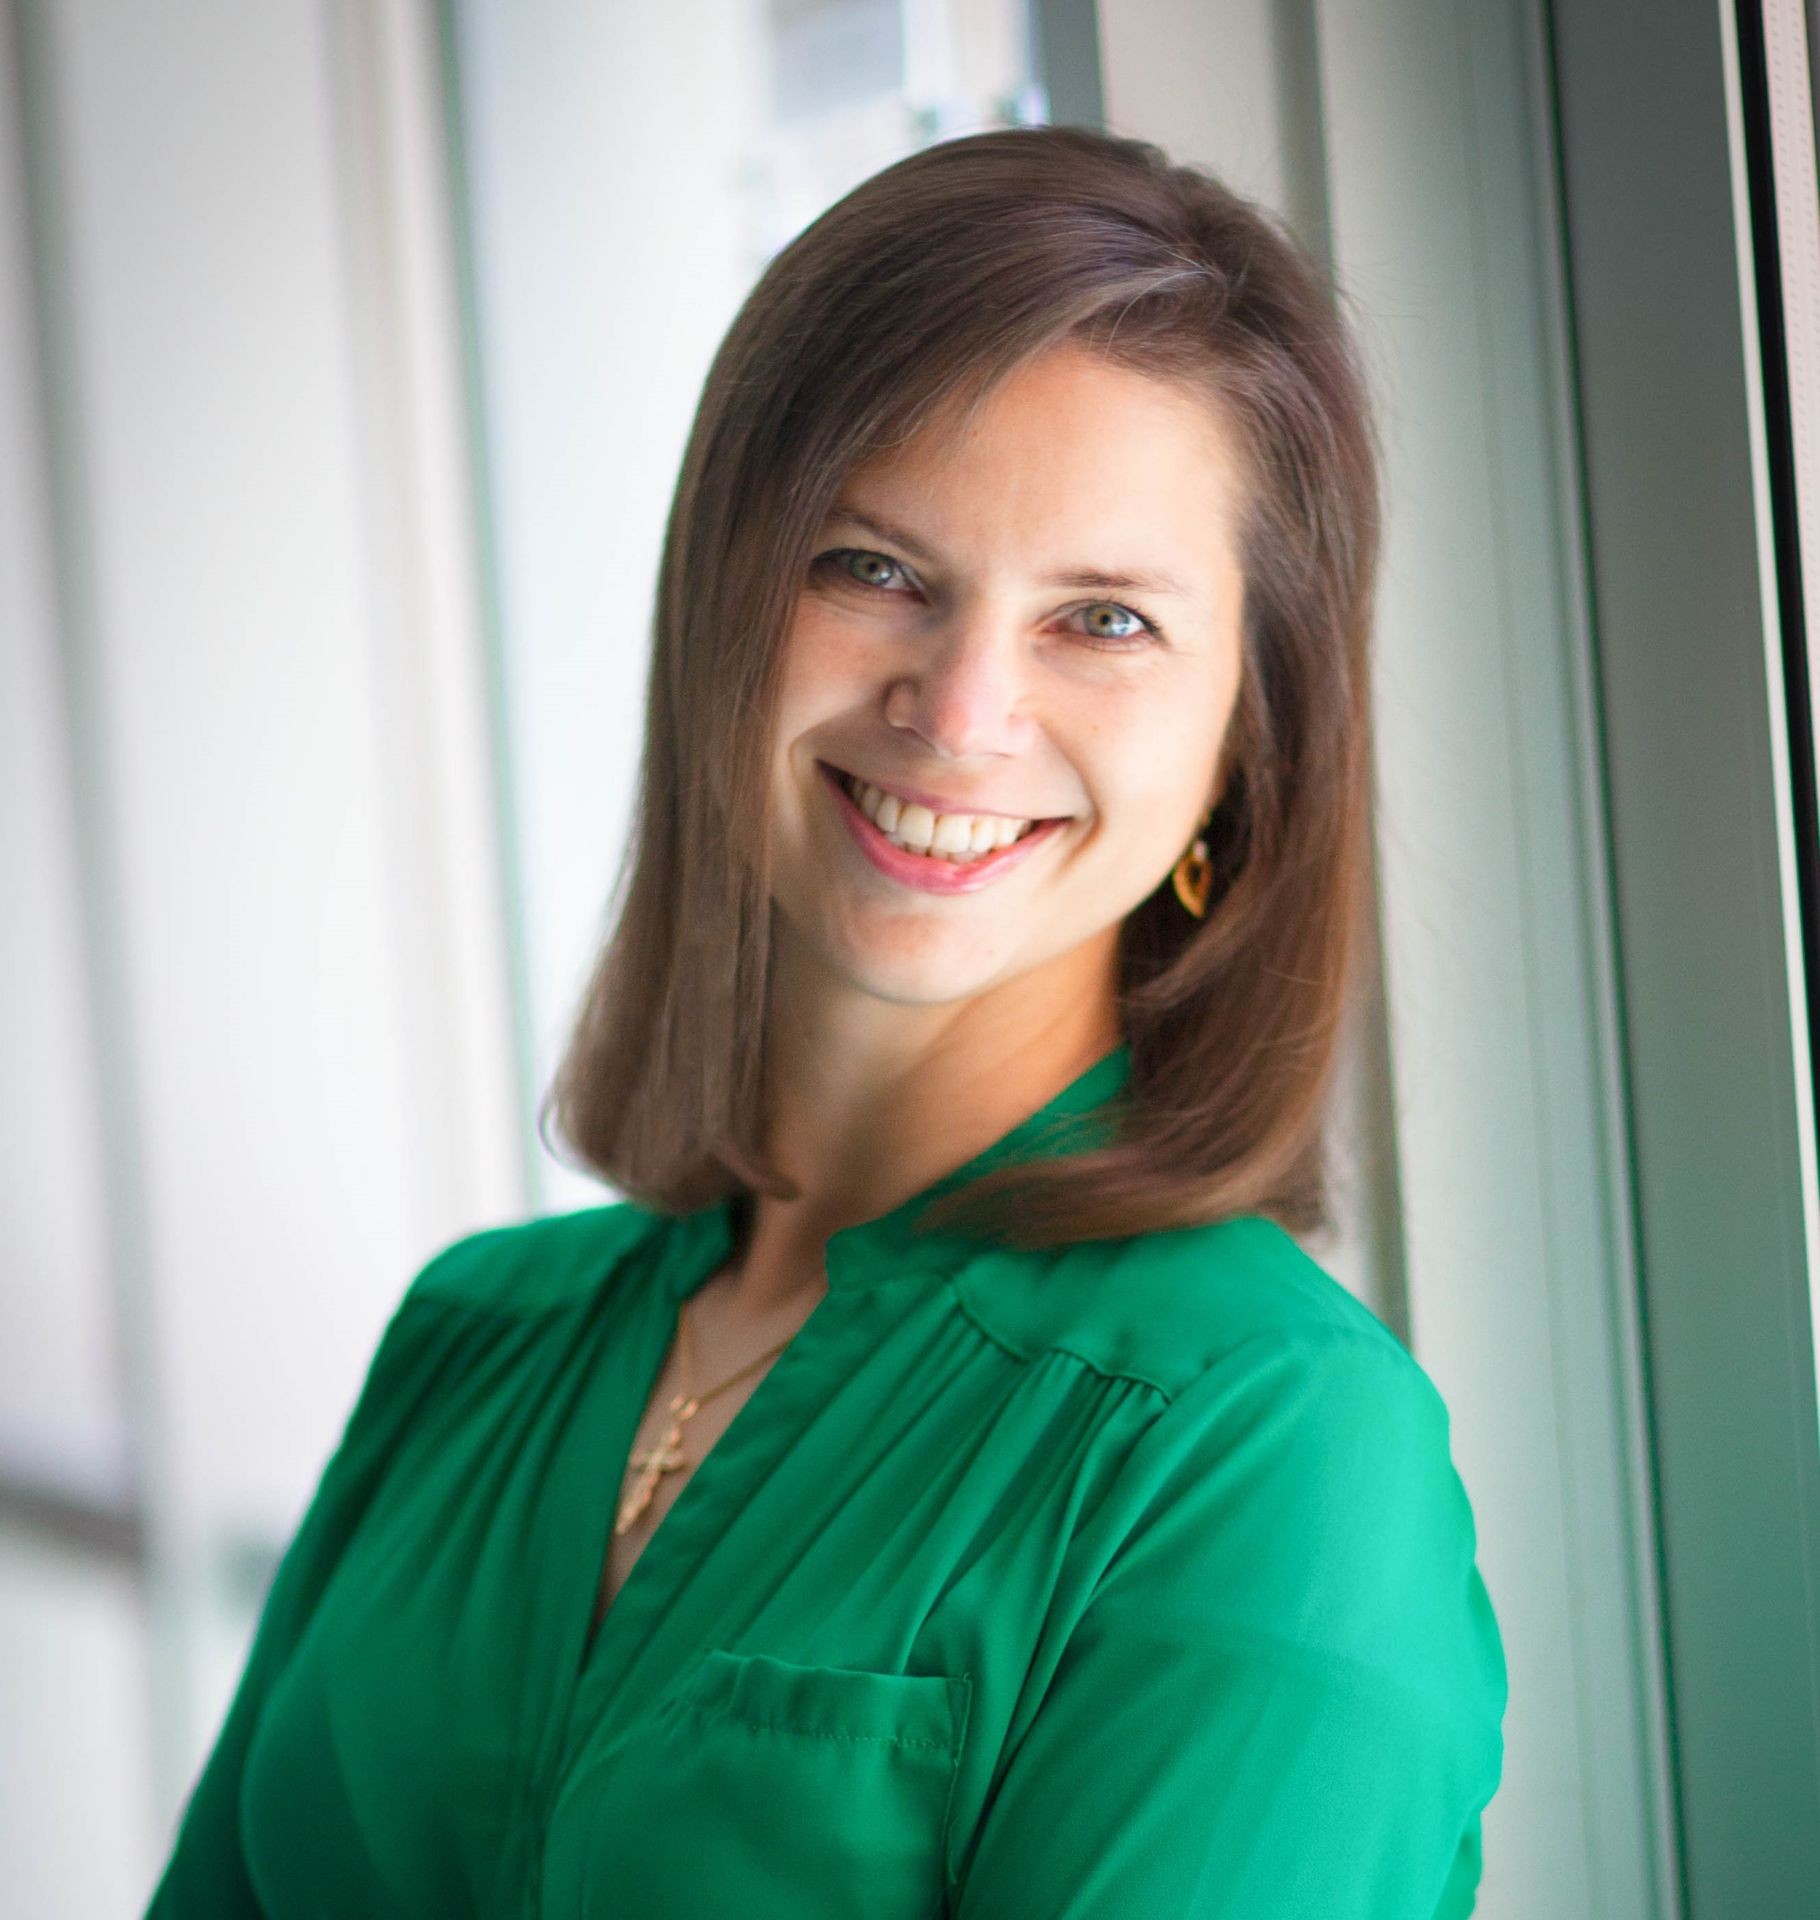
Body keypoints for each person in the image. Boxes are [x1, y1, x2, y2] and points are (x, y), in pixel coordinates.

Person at [145, 123, 1507, 1918]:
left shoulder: (1268, 1453)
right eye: (873, 566)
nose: (960, 712)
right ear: (724, 596)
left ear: (1247, 746)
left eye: (1101, 619)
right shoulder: (473, 1340)